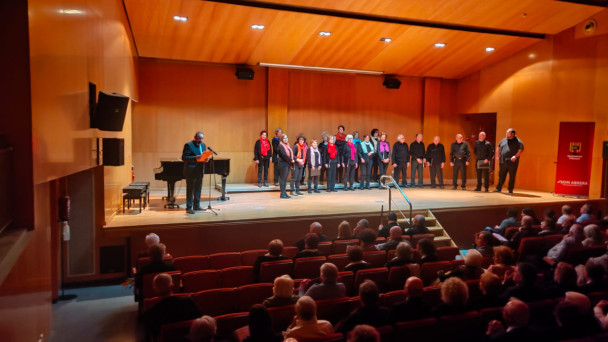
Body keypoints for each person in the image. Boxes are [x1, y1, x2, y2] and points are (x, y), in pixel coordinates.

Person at [143, 273, 202, 338]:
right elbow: (200, 321)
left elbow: (152, 336)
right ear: (172, 287)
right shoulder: (188, 302)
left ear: (154, 290)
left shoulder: (150, 315)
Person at [182, 131, 207, 214]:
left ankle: (196, 206)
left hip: (200, 170)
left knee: (198, 189)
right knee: (190, 189)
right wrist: (195, 158)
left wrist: (206, 159)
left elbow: (203, 156)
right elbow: (184, 157)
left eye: (202, 138)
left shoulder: (203, 145)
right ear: (195, 137)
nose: (201, 140)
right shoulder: (188, 145)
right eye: (199, 138)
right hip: (191, 171)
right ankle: (189, 207)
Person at [493, 128, 523, 194]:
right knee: (501, 175)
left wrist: (515, 156)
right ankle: (498, 188)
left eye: (508, 132)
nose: (506, 133)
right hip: (503, 161)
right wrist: (497, 156)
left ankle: (510, 189)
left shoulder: (518, 141)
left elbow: (521, 150)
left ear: (513, 134)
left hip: (512, 162)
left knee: (512, 176)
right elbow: (498, 148)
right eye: (506, 132)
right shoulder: (503, 140)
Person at [277, 134, 295, 199]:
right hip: (283, 164)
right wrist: (291, 160)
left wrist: (292, 160)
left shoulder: (288, 146)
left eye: (286, 138)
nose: (286, 139)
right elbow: (284, 155)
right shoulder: (280, 146)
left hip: (287, 164)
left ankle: (284, 192)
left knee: (285, 179)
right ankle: (282, 194)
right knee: (282, 179)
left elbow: (290, 154)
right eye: (284, 138)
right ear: (282, 139)